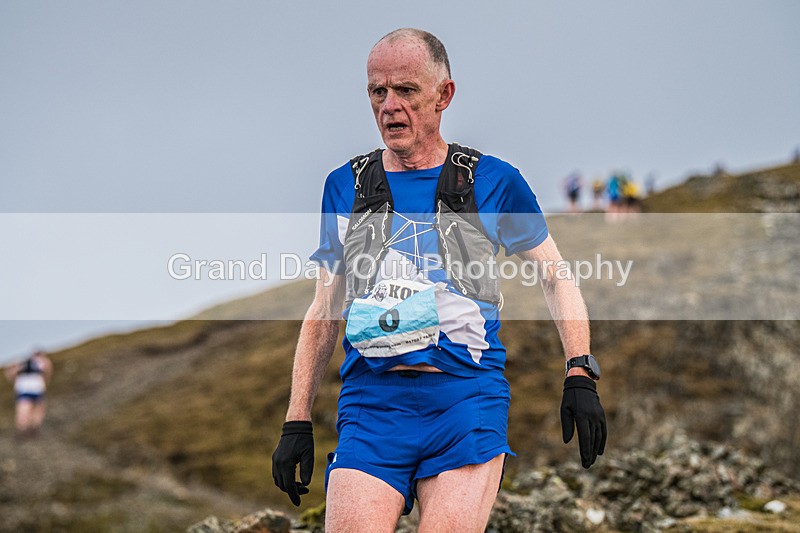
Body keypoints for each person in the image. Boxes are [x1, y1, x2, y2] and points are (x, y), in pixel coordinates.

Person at [271, 28, 607, 532]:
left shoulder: (490, 180)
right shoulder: (346, 186)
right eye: (377, 92)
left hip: (465, 403)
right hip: (370, 406)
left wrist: (578, 371)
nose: (389, 106)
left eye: (405, 90)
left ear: (443, 94)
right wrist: (297, 418)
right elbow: (325, 308)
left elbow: (556, 276)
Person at [4, 350, 53, 438]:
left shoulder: (21, 363)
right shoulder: (38, 362)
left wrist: (14, 381)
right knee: (27, 412)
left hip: (30, 390)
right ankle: (25, 432)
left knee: (33, 411)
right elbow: (48, 370)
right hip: (31, 391)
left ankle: (29, 431)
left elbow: (10, 372)